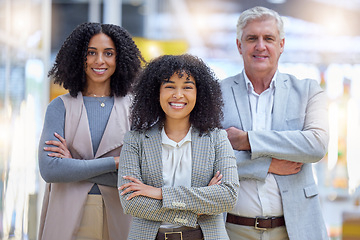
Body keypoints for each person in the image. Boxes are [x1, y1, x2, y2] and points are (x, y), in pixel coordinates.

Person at [221, 6, 329, 240]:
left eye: (268, 38)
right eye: (252, 38)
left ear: (281, 45)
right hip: (230, 231)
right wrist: (268, 165)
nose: (260, 46)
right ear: (240, 45)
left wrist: (245, 140)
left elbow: (316, 145)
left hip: (295, 231)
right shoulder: (216, 94)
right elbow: (206, 161)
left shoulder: (309, 91)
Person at [38, 22, 144, 240]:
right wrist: (116, 163)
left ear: (120, 58)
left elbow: (141, 178)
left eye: (108, 53)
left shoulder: (135, 108)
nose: (99, 61)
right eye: (91, 53)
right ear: (79, 57)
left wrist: (74, 167)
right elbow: (50, 171)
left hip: (120, 213)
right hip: (66, 213)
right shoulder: (60, 107)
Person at [118, 54, 239, 240]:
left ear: (200, 93)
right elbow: (132, 203)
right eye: (169, 86)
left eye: (187, 87)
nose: (178, 94)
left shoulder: (217, 138)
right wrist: (197, 210)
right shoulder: (135, 140)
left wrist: (159, 193)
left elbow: (228, 196)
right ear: (155, 91)